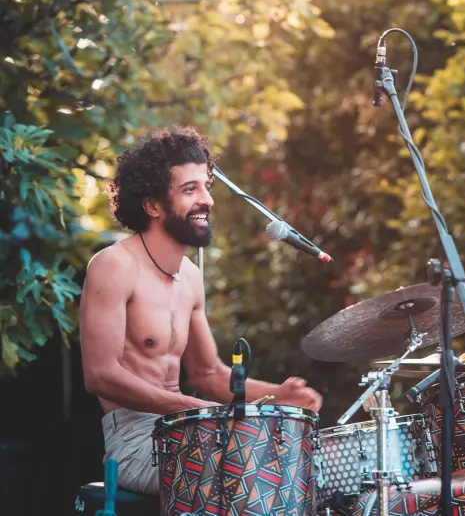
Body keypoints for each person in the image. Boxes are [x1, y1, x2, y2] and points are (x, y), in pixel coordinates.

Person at [79, 126, 322, 496]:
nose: (207, 200)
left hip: (187, 429)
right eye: (190, 189)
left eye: (206, 187)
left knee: (302, 465)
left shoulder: (190, 276)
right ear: (153, 205)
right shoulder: (113, 265)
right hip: (135, 441)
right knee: (253, 472)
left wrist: (279, 395)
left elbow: (208, 374)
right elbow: (100, 376)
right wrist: (195, 410)